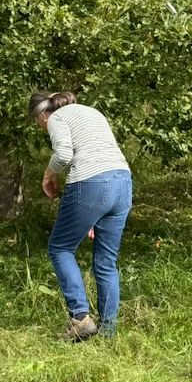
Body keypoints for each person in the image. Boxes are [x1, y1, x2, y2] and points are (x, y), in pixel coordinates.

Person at [30, 91, 133, 342]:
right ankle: (108, 334)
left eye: (37, 122)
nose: (41, 126)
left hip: (91, 183)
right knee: (106, 261)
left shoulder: (57, 118)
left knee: (60, 248)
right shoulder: (92, 112)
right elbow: (96, 154)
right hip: (122, 181)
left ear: (42, 114)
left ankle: (81, 318)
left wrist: (48, 175)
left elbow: (64, 154)